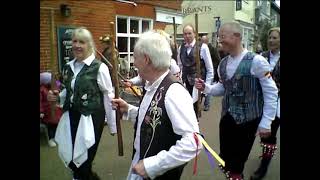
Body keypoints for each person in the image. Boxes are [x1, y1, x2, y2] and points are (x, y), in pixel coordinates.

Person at [112, 31, 202, 180]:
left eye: (135, 58)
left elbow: (194, 142)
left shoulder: (174, 92)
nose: (134, 64)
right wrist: (130, 110)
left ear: (146, 59)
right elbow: (156, 117)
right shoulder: (152, 84)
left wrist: (152, 165)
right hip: (142, 161)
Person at [195, 22, 278, 180]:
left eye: (223, 36)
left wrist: (266, 122)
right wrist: (206, 88)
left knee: (237, 162)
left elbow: (271, 92)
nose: (219, 40)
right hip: (227, 119)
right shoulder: (223, 63)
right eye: (219, 37)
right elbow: (223, 87)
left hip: (248, 121)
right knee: (225, 158)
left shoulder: (257, 61)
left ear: (237, 37)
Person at [47, 27, 117, 180]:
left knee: (84, 160)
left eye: (82, 42)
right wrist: (56, 98)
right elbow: (67, 91)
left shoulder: (99, 68)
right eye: (75, 41)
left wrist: (112, 124)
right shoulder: (68, 67)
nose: (77, 45)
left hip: (92, 118)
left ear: (89, 45)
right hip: (71, 116)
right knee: (72, 158)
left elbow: (108, 96)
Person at [250, 27, 280, 180]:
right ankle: (266, 154)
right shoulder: (262, 56)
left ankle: (263, 168)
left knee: (270, 134)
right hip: (262, 101)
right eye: (270, 38)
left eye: (275, 38)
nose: (271, 41)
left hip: (278, 104)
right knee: (263, 132)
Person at [177, 24, 214, 117]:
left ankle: (195, 130)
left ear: (194, 34)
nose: (187, 36)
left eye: (189, 33)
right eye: (185, 34)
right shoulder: (181, 48)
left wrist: (206, 88)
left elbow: (210, 69)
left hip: (197, 85)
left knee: (194, 112)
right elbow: (180, 66)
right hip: (185, 84)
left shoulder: (203, 47)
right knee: (185, 111)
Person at [40, 72, 63, 147]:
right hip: (47, 111)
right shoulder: (42, 90)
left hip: (55, 108)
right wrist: (41, 111)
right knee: (51, 122)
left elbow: (59, 86)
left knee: (59, 119)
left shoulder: (53, 87)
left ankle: (57, 136)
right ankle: (51, 138)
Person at [201, 35, 221, 111]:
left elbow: (218, 59)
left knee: (208, 87)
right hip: (204, 71)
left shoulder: (212, 49)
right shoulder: (201, 49)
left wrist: (215, 69)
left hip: (211, 71)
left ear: (206, 41)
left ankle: (207, 104)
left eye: (203, 41)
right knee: (203, 87)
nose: (202, 43)